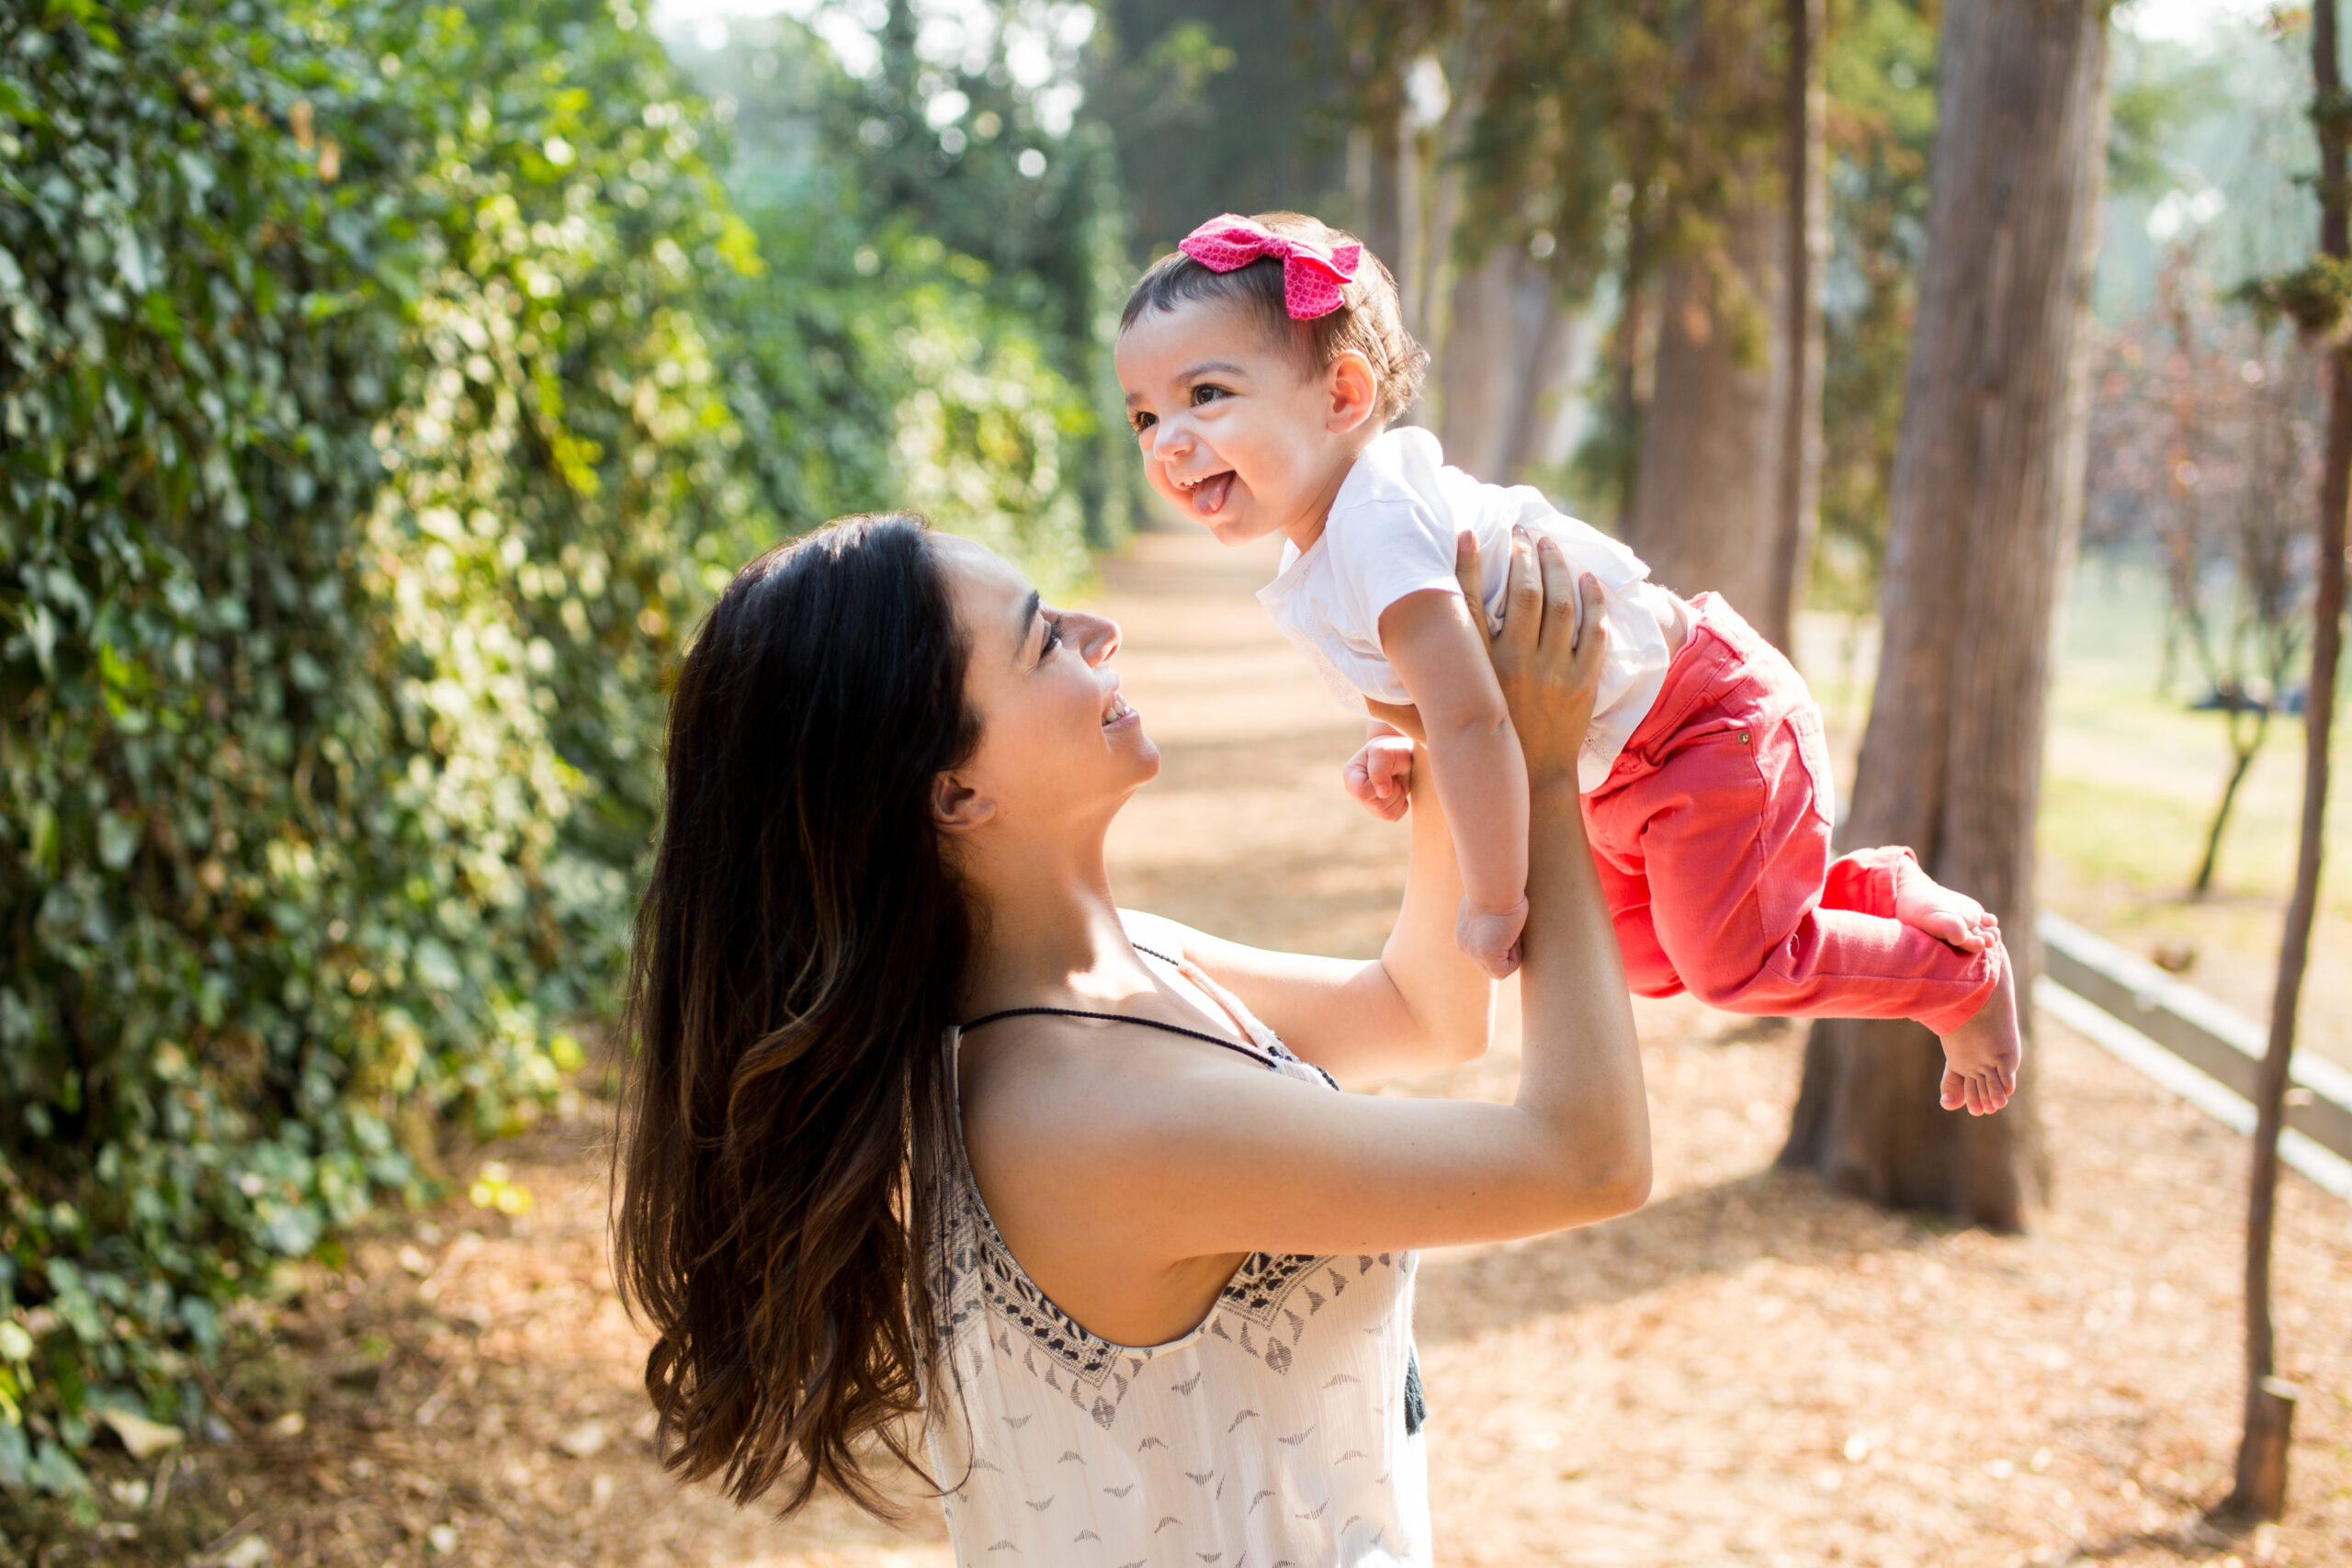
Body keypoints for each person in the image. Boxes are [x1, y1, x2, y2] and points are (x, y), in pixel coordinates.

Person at [613, 511, 1648, 1565]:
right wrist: (1548, 774)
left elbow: (1422, 1014)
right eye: (1042, 639)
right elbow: (1589, 1161)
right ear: (956, 793)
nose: (1099, 628)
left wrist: (1453, 747)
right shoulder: (1083, 1109)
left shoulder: (1109, 973)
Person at [1114, 209, 2023, 1117]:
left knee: (1731, 968)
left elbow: (1474, 717)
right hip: (1618, 760)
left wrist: (1493, 897)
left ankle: (1958, 980)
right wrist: (1400, 739)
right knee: (1632, 953)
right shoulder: (1329, 542)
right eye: (1145, 415)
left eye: (1206, 397)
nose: (1166, 442)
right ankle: (1867, 891)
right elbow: (1446, 693)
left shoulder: (1375, 523)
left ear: (1342, 397)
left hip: (1699, 720)